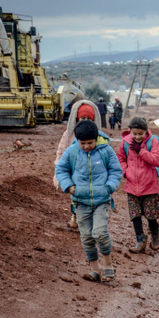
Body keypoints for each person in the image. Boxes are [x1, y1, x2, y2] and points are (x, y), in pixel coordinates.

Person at [55, 120, 122, 282]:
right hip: (80, 202)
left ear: (96, 138)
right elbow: (61, 169)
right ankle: (95, 270)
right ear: (77, 140)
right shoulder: (72, 152)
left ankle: (108, 266)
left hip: (102, 200)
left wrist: (110, 186)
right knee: (87, 237)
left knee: (99, 232)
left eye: (90, 143)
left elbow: (116, 170)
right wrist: (68, 186)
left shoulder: (106, 150)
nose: (86, 146)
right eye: (82, 143)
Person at [117, 116, 159, 253]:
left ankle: (156, 233)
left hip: (149, 185)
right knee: (135, 214)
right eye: (135, 134)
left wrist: (141, 151)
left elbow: (157, 160)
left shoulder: (153, 142)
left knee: (151, 214)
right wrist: (125, 172)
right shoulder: (125, 143)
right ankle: (140, 240)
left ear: (146, 131)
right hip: (132, 185)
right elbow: (120, 158)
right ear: (130, 131)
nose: (137, 137)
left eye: (140, 134)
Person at [53, 100, 101, 229]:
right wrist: (59, 169)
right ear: (77, 118)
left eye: (88, 118)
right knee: (75, 196)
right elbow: (61, 151)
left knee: (89, 196)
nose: (85, 120)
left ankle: (87, 219)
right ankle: (75, 216)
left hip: (91, 170)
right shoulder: (69, 135)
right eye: (82, 118)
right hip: (74, 171)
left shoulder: (97, 136)